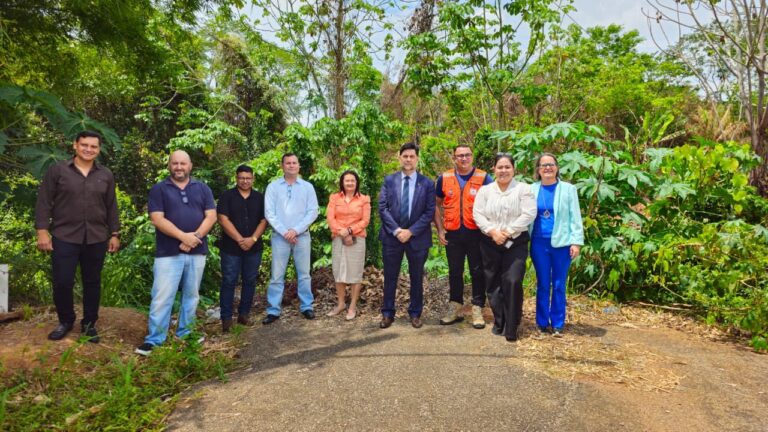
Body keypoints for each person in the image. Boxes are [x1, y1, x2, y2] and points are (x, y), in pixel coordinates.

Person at [35, 130, 120, 343]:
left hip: (97, 237)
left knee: (92, 282)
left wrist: (115, 233)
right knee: (62, 281)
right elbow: (44, 201)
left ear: (98, 149)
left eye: (93, 146)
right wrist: (42, 230)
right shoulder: (58, 170)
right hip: (65, 236)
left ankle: (89, 324)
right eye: (84, 145)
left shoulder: (106, 175)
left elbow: (111, 206)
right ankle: (65, 320)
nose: (88, 149)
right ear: (75, 145)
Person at [135, 150, 216, 356]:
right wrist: (183, 237)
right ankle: (155, 340)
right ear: (169, 165)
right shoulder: (159, 189)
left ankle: (186, 334)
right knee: (162, 297)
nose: (179, 167)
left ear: (190, 166)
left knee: (191, 296)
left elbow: (211, 216)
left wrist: (194, 237)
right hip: (168, 253)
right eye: (175, 163)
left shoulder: (202, 188)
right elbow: (157, 219)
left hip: (197, 252)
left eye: (183, 163)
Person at [473, 153, 536, 342]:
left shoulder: (524, 189)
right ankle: (499, 322)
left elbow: (529, 213)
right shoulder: (485, 191)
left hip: (515, 241)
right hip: (489, 242)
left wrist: (507, 232)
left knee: (513, 280)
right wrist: (492, 232)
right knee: (493, 284)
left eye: (507, 167)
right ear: (493, 169)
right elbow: (478, 214)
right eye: (500, 167)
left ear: (513, 169)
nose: (503, 171)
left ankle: (512, 324)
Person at [434, 144, 493, 329]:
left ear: (472, 157)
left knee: (477, 271)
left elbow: (494, 203)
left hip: (477, 233)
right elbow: (436, 205)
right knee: (455, 271)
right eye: (460, 156)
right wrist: (440, 229)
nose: (464, 158)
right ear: (454, 158)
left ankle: (477, 308)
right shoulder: (444, 178)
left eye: (467, 155)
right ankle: (455, 305)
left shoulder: (484, 178)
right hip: (453, 233)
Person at [378, 142, 436, 329]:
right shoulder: (389, 180)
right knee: (390, 276)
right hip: (391, 237)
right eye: (405, 156)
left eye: (412, 156)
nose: (408, 159)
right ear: (399, 157)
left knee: (417, 277)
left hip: (417, 238)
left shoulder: (426, 183)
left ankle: (415, 313)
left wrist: (410, 231)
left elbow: (429, 212)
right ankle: (387, 313)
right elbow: (383, 208)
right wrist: (397, 231)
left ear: (417, 159)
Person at [530, 153, 584, 337]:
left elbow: (575, 216)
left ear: (557, 167)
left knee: (559, 284)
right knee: (543, 283)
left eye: (551, 164)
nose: (547, 168)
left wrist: (576, 242)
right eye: (543, 165)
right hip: (538, 242)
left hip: (562, 243)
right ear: (538, 169)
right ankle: (542, 322)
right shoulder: (531, 189)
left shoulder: (568, 189)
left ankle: (558, 323)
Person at [262, 153, 319, 324]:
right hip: (280, 238)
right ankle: (273, 310)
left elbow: (313, 211)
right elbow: (269, 213)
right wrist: (285, 232)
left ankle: (307, 306)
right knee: (277, 275)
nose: (291, 165)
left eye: (294, 162)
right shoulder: (273, 187)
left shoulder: (307, 187)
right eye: (288, 163)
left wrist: (295, 230)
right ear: (282, 166)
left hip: (302, 236)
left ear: (299, 166)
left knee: (304, 274)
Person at [217, 165, 267, 332]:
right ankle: (226, 319)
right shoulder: (227, 196)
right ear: (236, 178)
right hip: (231, 248)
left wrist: (252, 239)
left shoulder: (259, 197)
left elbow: (264, 220)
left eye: (248, 178)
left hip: (254, 248)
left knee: (250, 281)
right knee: (229, 281)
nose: (245, 181)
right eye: (241, 178)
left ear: (253, 179)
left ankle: (244, 315)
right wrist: (240, 239)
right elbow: (223, 219)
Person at [326, 170, 371, 320]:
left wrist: (350, 231)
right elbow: (330, 218)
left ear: (357, 182)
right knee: (339, 271)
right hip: (338, 238)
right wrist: (342, 232)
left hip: (357, 239)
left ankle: (352, 306)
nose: (350, 183)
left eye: (353, 180)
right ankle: (341, 304)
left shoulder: (364, 199)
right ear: (342, 183)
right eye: (347, 181)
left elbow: (365, 221)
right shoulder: (334, 198)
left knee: (355, 273)